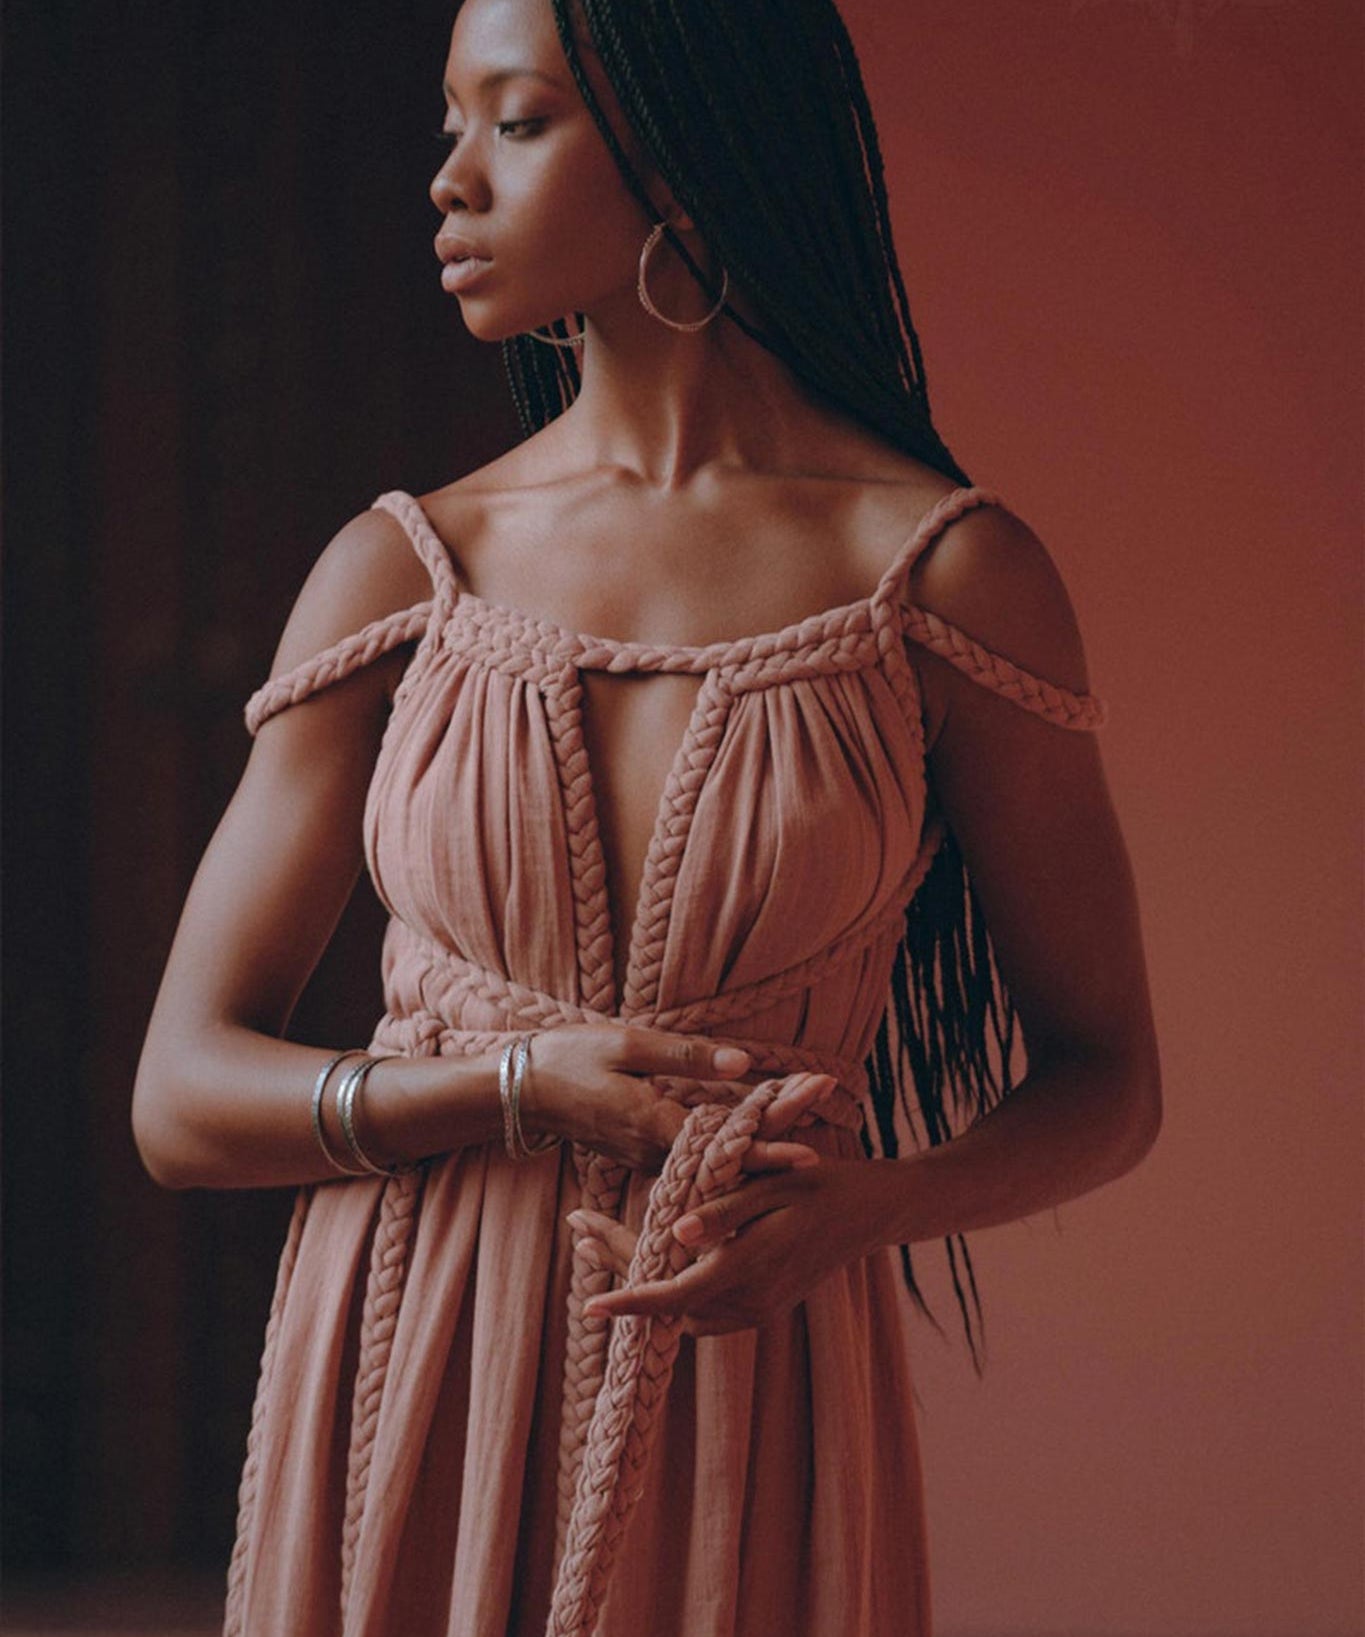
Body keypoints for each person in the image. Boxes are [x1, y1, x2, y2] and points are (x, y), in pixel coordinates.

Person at [131, 0, 1163, 1631]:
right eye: (450, 122)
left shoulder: (943, 579)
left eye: (516, 122)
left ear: (683, 162)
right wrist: (517, 1087)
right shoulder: (403, 572)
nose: (447, 183)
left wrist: (872, 1209)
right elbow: (181, 1097)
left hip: (748, 1381)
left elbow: (1111, 1081)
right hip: (406, 1356)